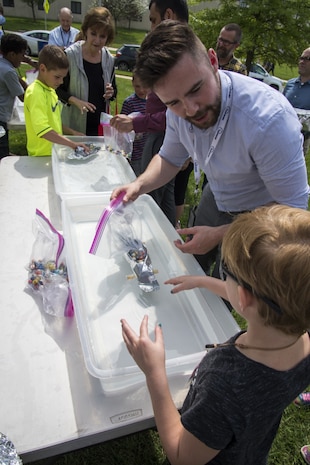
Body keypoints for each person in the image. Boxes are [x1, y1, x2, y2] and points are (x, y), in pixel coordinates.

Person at [111, 21, 309, 278]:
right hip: (215, 195)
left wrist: (219, 235)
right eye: (174, 102)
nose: (190, 110)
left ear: (213, 61)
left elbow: (292, 209)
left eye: (196, 89)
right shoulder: (177, 110)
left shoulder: (269, 121)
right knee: (189, 267)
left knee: (235, 290)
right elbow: (170, 158)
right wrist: (138, 185)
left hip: (263, 216)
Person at [121, 204, 310, 465]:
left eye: (227, 272)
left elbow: (181, 456)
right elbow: (261, 304)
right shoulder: (302, 341)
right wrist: (203, 281)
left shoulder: (226, 384)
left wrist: (154, 373)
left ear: (243, 298)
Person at [111, 0, 189, 226]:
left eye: (153, 20)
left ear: (168, 15)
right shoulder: (173, 51)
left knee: (151, 198)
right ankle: (166, 241)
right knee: (164, 196)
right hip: (167, 138)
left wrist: (137, 124)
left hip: (161, 136)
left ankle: (150, 244)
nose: (151, 28)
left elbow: (173, 114)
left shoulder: (176, 55)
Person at [57, 6, 117, 136]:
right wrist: (75, 101)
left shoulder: (109, 59)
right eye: (93, 34)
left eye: (102, 36)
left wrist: (111, 92)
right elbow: (57, 89)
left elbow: (114, 91)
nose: (97, 40)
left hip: (99, 127)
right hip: (74, 127)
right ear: (86, 31)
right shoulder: (70, 56)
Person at [24, 45, 89, 156]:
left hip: (53, 152)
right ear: (43, 69)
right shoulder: (35, 92)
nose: (61, 82)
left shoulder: (51, 91)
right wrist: (72, 144)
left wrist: (72, 132)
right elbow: (43, 130)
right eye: (57, 77)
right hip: (40, 156)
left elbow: (54, 124)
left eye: (63, 77)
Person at [0, 33, 28, 159]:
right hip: (0, 118)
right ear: (12, 54)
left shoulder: (3, 65)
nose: (23, 58)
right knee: (2, 149)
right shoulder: (9, 72)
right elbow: (23, 97)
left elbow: (17, 80)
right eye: (22, 54)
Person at [283, 48, 310, 155]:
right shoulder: (289, 84)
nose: (302, 62)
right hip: (281, 136)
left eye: (307, 59)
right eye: (301, 58)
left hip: (301, 141)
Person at [120, 72, 147, 177]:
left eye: (144, 86)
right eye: (137, 86)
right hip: (134, 152)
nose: (141, 90)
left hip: (147, 150)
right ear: (132, 83)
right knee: (133, 177)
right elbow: (121, 127)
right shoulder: (129, 102)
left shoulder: (152, 103)